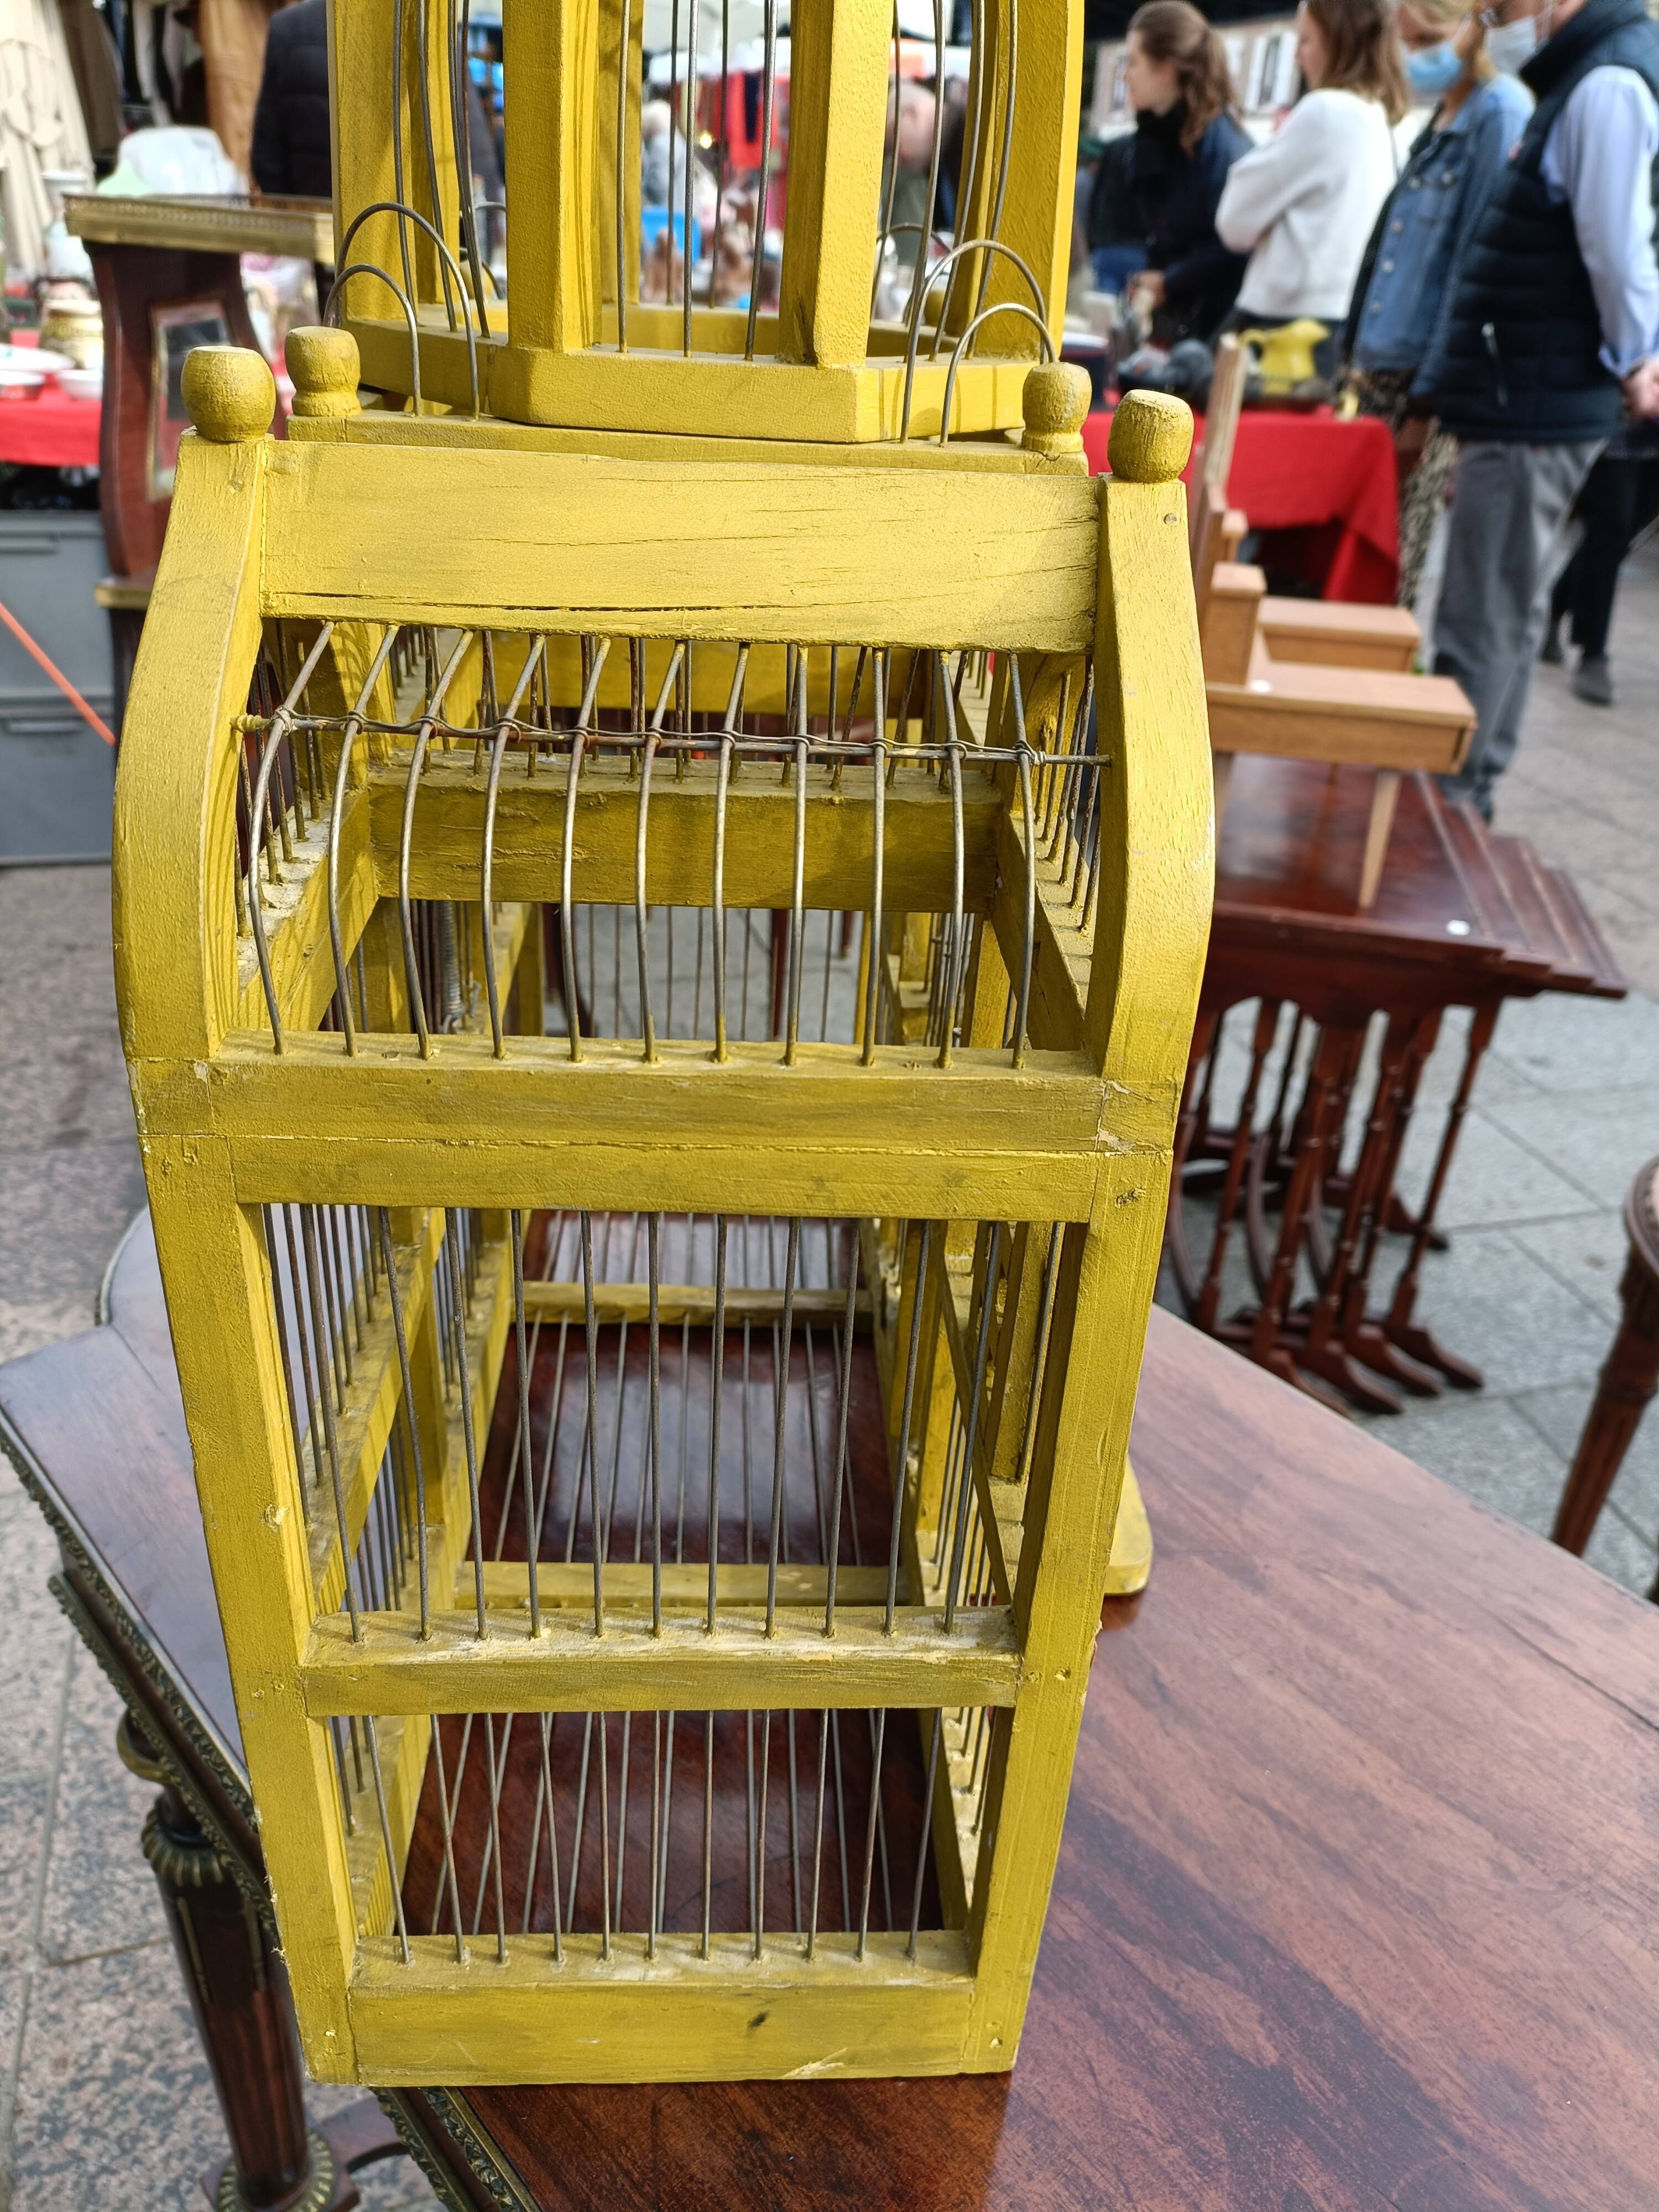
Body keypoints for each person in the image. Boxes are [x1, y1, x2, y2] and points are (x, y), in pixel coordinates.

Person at [1427, 0, 1659, 814]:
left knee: (1485, 613)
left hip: (1533, 396)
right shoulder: (1594, 74)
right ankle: (1463, 790)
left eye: (1502, 4)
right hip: (1528, 389)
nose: (1493, 17)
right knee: (1501, 605)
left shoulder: (1607, 83)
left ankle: (1454, 803)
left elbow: (1617, 247)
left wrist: (1638, 357)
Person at [1343, 0, 1531, 605]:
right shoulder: (1442, 118)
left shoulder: (1497, 112)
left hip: (1413, 385)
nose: (1410, 58)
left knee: (1385, 573)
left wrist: (1426, 403)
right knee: (1351, 566)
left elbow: (1469, 266)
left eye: (1422, 39)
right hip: (1379, 372)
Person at [1215, 0, 1408, 380]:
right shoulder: (1385, 120)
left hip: (1282, 324)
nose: (1299, 57)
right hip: (1339, 320)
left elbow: (1233, 222)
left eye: (1306, 41)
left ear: (1337, 41)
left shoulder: (1325, 110)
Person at [1118, 0, 1253, 343]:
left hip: (1212, 332)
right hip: (1178, 327)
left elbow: (1233, 248)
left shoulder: (1221, 147)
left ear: (1165, 69)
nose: (1125, 75)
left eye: (1133, 62)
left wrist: (1169, 283)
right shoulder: (1155, 139)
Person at [1540, 427, 1659, 700]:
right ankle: (1592, 652)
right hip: (1611, 436)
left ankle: (1556, 605)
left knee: (1615, 541)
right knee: (1610, 530)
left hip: (1654, 444)